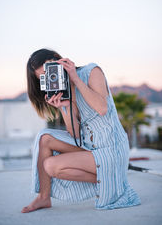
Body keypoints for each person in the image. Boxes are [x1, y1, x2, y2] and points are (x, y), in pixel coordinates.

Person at [21, 48, 141, 213]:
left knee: (50, 165)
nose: (50, 78)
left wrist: (75, 79)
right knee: (44, 138)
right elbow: (75, 135)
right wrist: (65, 106)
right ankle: (43, 197)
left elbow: (102, 108)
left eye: (50, 72)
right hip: (90, 146)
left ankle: (114, 180)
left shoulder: (91, 71)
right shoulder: (63, 89)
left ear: (59, 60)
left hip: (111, 149)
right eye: (43, 78)